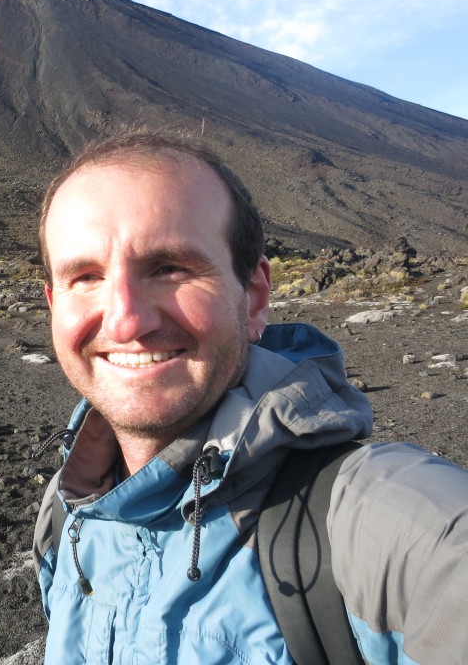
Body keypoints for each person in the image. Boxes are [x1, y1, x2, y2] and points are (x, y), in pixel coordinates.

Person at [32, 129, 468, 663]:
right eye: (85, 276)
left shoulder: (386, 526)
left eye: (169, 268)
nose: (126, 321)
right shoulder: (66, 511)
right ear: (54, 304)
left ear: (255, 295)